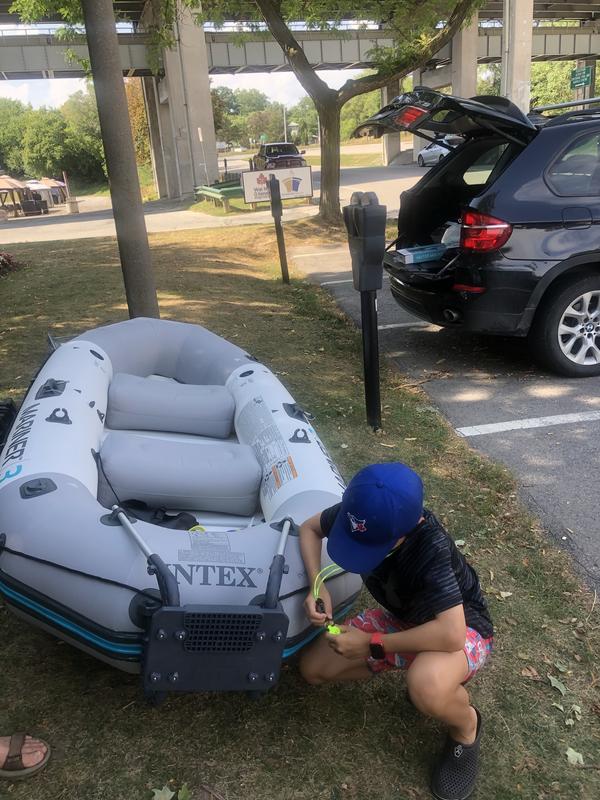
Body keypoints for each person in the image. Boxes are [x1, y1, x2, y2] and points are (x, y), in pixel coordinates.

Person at [299, 462, 493, 800]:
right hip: (405, 621)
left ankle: (466, 729)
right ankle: (408, 659)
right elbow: (309, 528)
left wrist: (374, 644)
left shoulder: (430, 548)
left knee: (427, 685)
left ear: (412, 526)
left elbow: (450, 634)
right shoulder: (361, 513)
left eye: (373, 545)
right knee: (313, 670)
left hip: (463, 628)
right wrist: (317, 586)